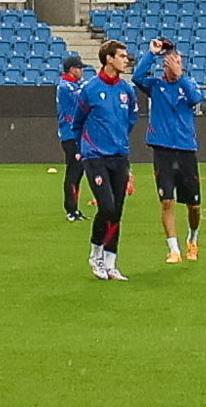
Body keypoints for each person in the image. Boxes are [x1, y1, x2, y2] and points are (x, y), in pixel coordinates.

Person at [70, 40, 143, 282]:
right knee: (107, 207)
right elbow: (78, 121)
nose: (126, 60)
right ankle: (95, 254)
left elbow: (131, 119)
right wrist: (82, 149)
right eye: (122, 56)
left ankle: (111, 263)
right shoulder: (90, 89)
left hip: (119, 156)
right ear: (109, 59)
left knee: (118, 211)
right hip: (95, 156)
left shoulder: (126, 90)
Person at [140, 37, 204, 264]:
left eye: (177, 61)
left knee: (194, 205)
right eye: (169, 61)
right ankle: (173, 249)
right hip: (163, 150)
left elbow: (197, 98)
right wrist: (152, 54)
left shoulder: (189, 85)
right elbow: (138, 77)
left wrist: (181, 77)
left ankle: (193, 238)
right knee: (167, 200)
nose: (173, 63)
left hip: (186, 149)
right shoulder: (156, 86)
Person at [55, 59, 89, 221]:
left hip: (79, 135)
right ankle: (70, 209)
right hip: (70, 134)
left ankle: (74, 208)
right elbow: (80, 99)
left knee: (78, 172)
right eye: (79, 68)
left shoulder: (75, 85)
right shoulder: (65, 87)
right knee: (73, 172)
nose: (81, 71)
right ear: (71, 69)